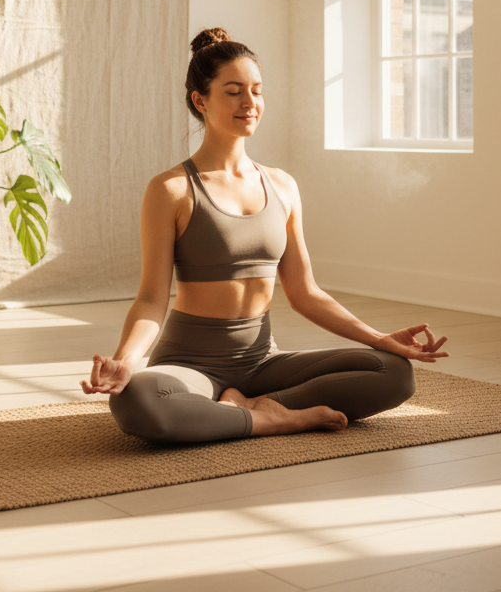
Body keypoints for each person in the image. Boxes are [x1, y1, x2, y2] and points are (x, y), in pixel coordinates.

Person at [81, 28, 448, 442]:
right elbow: (151, 298)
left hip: (262, 363)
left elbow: (305, 293)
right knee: (138, 402)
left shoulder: (282, 185)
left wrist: (381, 338)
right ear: (200, 101)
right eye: (234, 91)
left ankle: (249, 406)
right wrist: (126, 360)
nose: (250, 103)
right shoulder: (171, 189)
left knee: (394, 373)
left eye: (256, 90)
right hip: (190, 364)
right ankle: (278, 418)